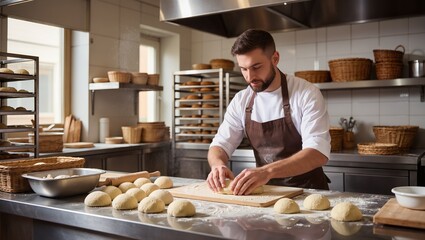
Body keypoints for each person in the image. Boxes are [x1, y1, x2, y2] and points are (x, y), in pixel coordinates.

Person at [207, 29, 331, 195]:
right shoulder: (241, 100)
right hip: (266, 194)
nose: (250, 77)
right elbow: (219, 145)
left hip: (307, 193)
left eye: (256, 67)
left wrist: (267, 172)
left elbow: (318, 153)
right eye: (243, 69)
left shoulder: (306, 93)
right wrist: (217, 165)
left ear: (275, 59)